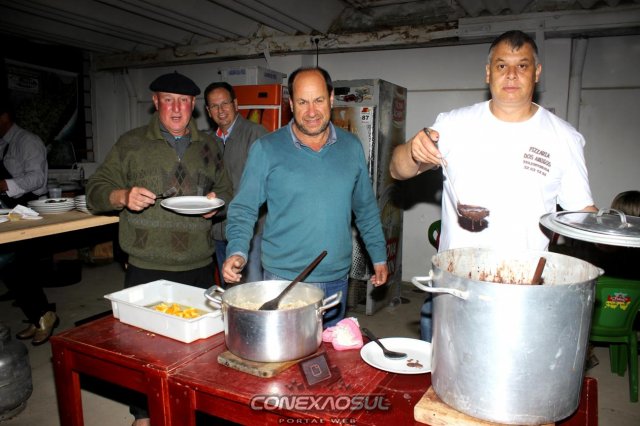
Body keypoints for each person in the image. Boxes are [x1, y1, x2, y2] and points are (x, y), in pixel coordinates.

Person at [390, 30, 597, 341]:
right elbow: (397, 169)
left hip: (525, 291)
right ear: (488, 72)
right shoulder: (454, 124)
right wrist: (412, 150)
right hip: (454, 286)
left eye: (522, 65)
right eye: (502, 65)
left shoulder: (563, 138)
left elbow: (581, 214)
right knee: (439, 371)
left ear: (537, 72)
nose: (511, 74)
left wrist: (612, 234)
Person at [86, 71, 233, 426]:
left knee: (200, 347)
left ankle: (193, 409)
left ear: (193, 105)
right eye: (169, 100)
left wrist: (218, 202)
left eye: (183, 101)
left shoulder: (209, 145)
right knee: (142, 349)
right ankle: (143, 413)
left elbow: (227, 188)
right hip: (146, 264)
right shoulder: (131, 143)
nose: (177, 108)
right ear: (155, 102)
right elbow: (94, 191)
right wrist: (122, 196)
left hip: (199, 263)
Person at [222, 66, 388, 327]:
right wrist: (237, 251)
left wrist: (378, 255)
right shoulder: (266, 149)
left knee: (331, 348)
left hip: (336, 278)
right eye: (302, 102)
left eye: (318, 100)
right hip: (283, 279)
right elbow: (244, 208)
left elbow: (365, 208)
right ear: (291, 104)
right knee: (284, 349)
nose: (311, 111)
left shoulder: (351, 147)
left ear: (331, 99)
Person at [0, 98, 57, 345]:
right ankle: (38, 317)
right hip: (9, 212)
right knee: (11, 270)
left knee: (20, 268)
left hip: (30, 212)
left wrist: (3, 184)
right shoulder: (3, 144)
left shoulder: (27, 141)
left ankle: (44, 316)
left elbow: (37, 179)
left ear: (4, 117)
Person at [204, 81, 267, 285]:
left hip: (251, 232)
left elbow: (266, 185)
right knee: (229, 287)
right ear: (208, 111)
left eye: (225, 103)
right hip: (218, 230)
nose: (221, 110)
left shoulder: (256, 134)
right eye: (214, 106)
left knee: (252, 288)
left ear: (236, 104)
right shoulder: (207, 141)